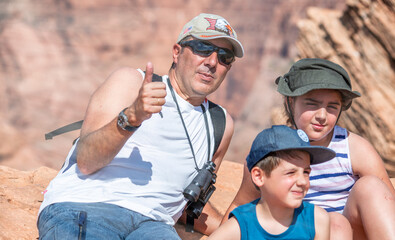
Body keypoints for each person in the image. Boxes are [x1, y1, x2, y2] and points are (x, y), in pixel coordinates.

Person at [37, 13, 244, 239]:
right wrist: (132, 117)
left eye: (224, 56)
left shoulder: (220, 124)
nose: (212, 62)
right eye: (203, 49)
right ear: (177, 52)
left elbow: (189, 204)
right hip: (88, 207)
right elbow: (86, 161)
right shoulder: (130, 82)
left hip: (155, 226)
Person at [222, 58, 395, 240]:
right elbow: (241, 205)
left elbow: (387, 202)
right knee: (332, 222)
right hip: (298, 233)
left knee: (371, 187)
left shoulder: (354, 148)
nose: (321, 115)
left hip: (348, 232)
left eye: (332, 107)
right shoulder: (270, 150)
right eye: (311, 104)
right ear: (290, 102)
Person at [209, 125, 335, 240]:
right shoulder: (240, 227)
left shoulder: (317, 220)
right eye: (291, 173)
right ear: (258, 176)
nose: (302, 181)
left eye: (306, 172)